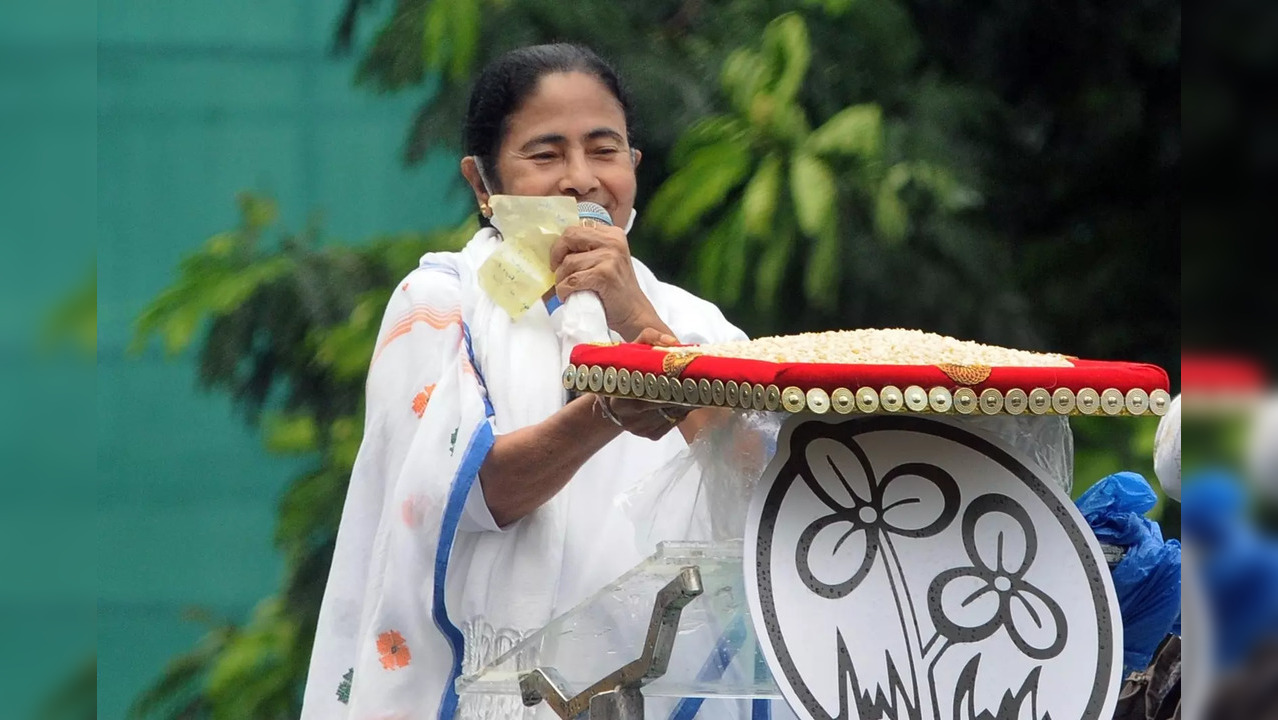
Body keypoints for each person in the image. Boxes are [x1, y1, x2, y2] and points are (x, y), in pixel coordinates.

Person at [300, 44, 748, 720]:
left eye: (604, 150)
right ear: (483, 184)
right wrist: (607, 412)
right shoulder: (438, 305)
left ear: (634, 166)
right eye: (545, 155)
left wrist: (637, 321)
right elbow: (474, 493)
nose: (581, 180)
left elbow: (755, 489)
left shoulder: (695, 325)